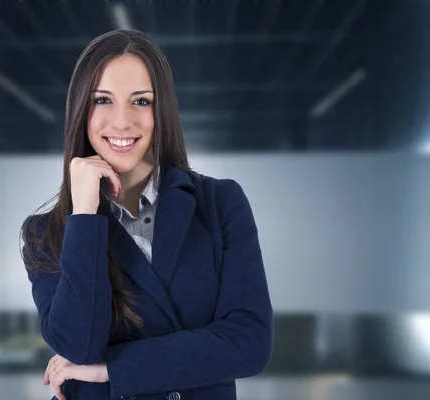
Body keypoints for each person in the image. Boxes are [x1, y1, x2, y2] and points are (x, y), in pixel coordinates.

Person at [21, 29, 273, 400]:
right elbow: (79, 346)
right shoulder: (46, 234)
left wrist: (112, 369)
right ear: (80, 110)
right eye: (102, 100)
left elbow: (250, 343)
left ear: (162, 110)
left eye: (141, 102)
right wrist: (85, 216)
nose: (122, 122)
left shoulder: (220, 203)